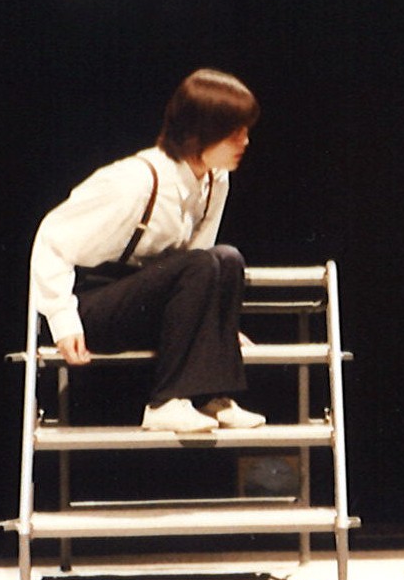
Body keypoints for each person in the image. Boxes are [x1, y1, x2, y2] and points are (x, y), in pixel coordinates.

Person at [29, 68, 266, 432]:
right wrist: (63, 321)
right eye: (235, 132)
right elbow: (53, 238)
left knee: (227, 258)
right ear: (201, 132)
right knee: (202, 264)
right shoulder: (136, 181)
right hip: (93, 304)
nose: (245, 141)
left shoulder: (216, 179)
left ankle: (212, 399)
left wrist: (213, 324)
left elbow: (199, 258)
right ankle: (166, 402)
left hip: (146, 298)